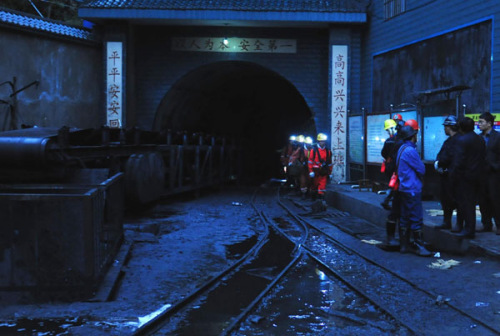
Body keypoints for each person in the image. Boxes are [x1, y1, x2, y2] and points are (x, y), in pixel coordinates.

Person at [396, 125, 432, 256]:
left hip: (404, 188)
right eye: (415, 134)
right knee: (416, 217)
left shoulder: (402, 148)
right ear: (412, 136)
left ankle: (404, 245)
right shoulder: (410, 151)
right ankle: (419, 245)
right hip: (412, 189)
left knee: (405, 217)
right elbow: (422, 169)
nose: (416, 137)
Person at [449, 117, 486, 239]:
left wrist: (453, 176)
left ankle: (469, 229)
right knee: (472, 203)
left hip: (465, 177)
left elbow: (459, 161)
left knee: (466, 203)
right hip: (479, 175)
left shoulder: (462, 140)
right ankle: (470, 227)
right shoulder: (479, 139)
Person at [434, 115, 461, 231]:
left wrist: (441, 163)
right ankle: (447, 222)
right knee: (446, 200)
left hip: (454, 176)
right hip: (446, 175)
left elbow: (448, 157)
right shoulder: (449, 141)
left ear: (449, 127)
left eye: (445, 127)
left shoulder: (457, 141)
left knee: (456, 200)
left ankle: (457, 224)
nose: (444, 129)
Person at [477, 112, 500, 235]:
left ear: (489, 123)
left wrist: (495, 166)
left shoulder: (497, 137)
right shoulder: (479, 137)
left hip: (494, 174)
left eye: (481, 122)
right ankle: (486, 224)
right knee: (483, 200)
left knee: (495, 199)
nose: (479, 124)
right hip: (481, 173)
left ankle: (498, 224)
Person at [380, 118, 402, 248]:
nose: (388, 132)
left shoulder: (389, 141)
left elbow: (383, 153)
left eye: (389, 129)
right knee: (397, 208)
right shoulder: (401, 142)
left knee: (395, 207)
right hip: (398, 174)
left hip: (392, 172)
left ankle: (389, 197)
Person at [308, 133, 332, 202]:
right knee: (314, 186)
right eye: (321, 141)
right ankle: (313, 197)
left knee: (322, 186)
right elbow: (310, 162)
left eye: (324, 141)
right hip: (315, 172)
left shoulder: (328, 152)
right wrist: (311, 171)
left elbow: (330, 163)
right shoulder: (314, 150)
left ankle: (321, 199)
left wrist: (330, 173)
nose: (323, 142)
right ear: (318, 141)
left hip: (323, 172)